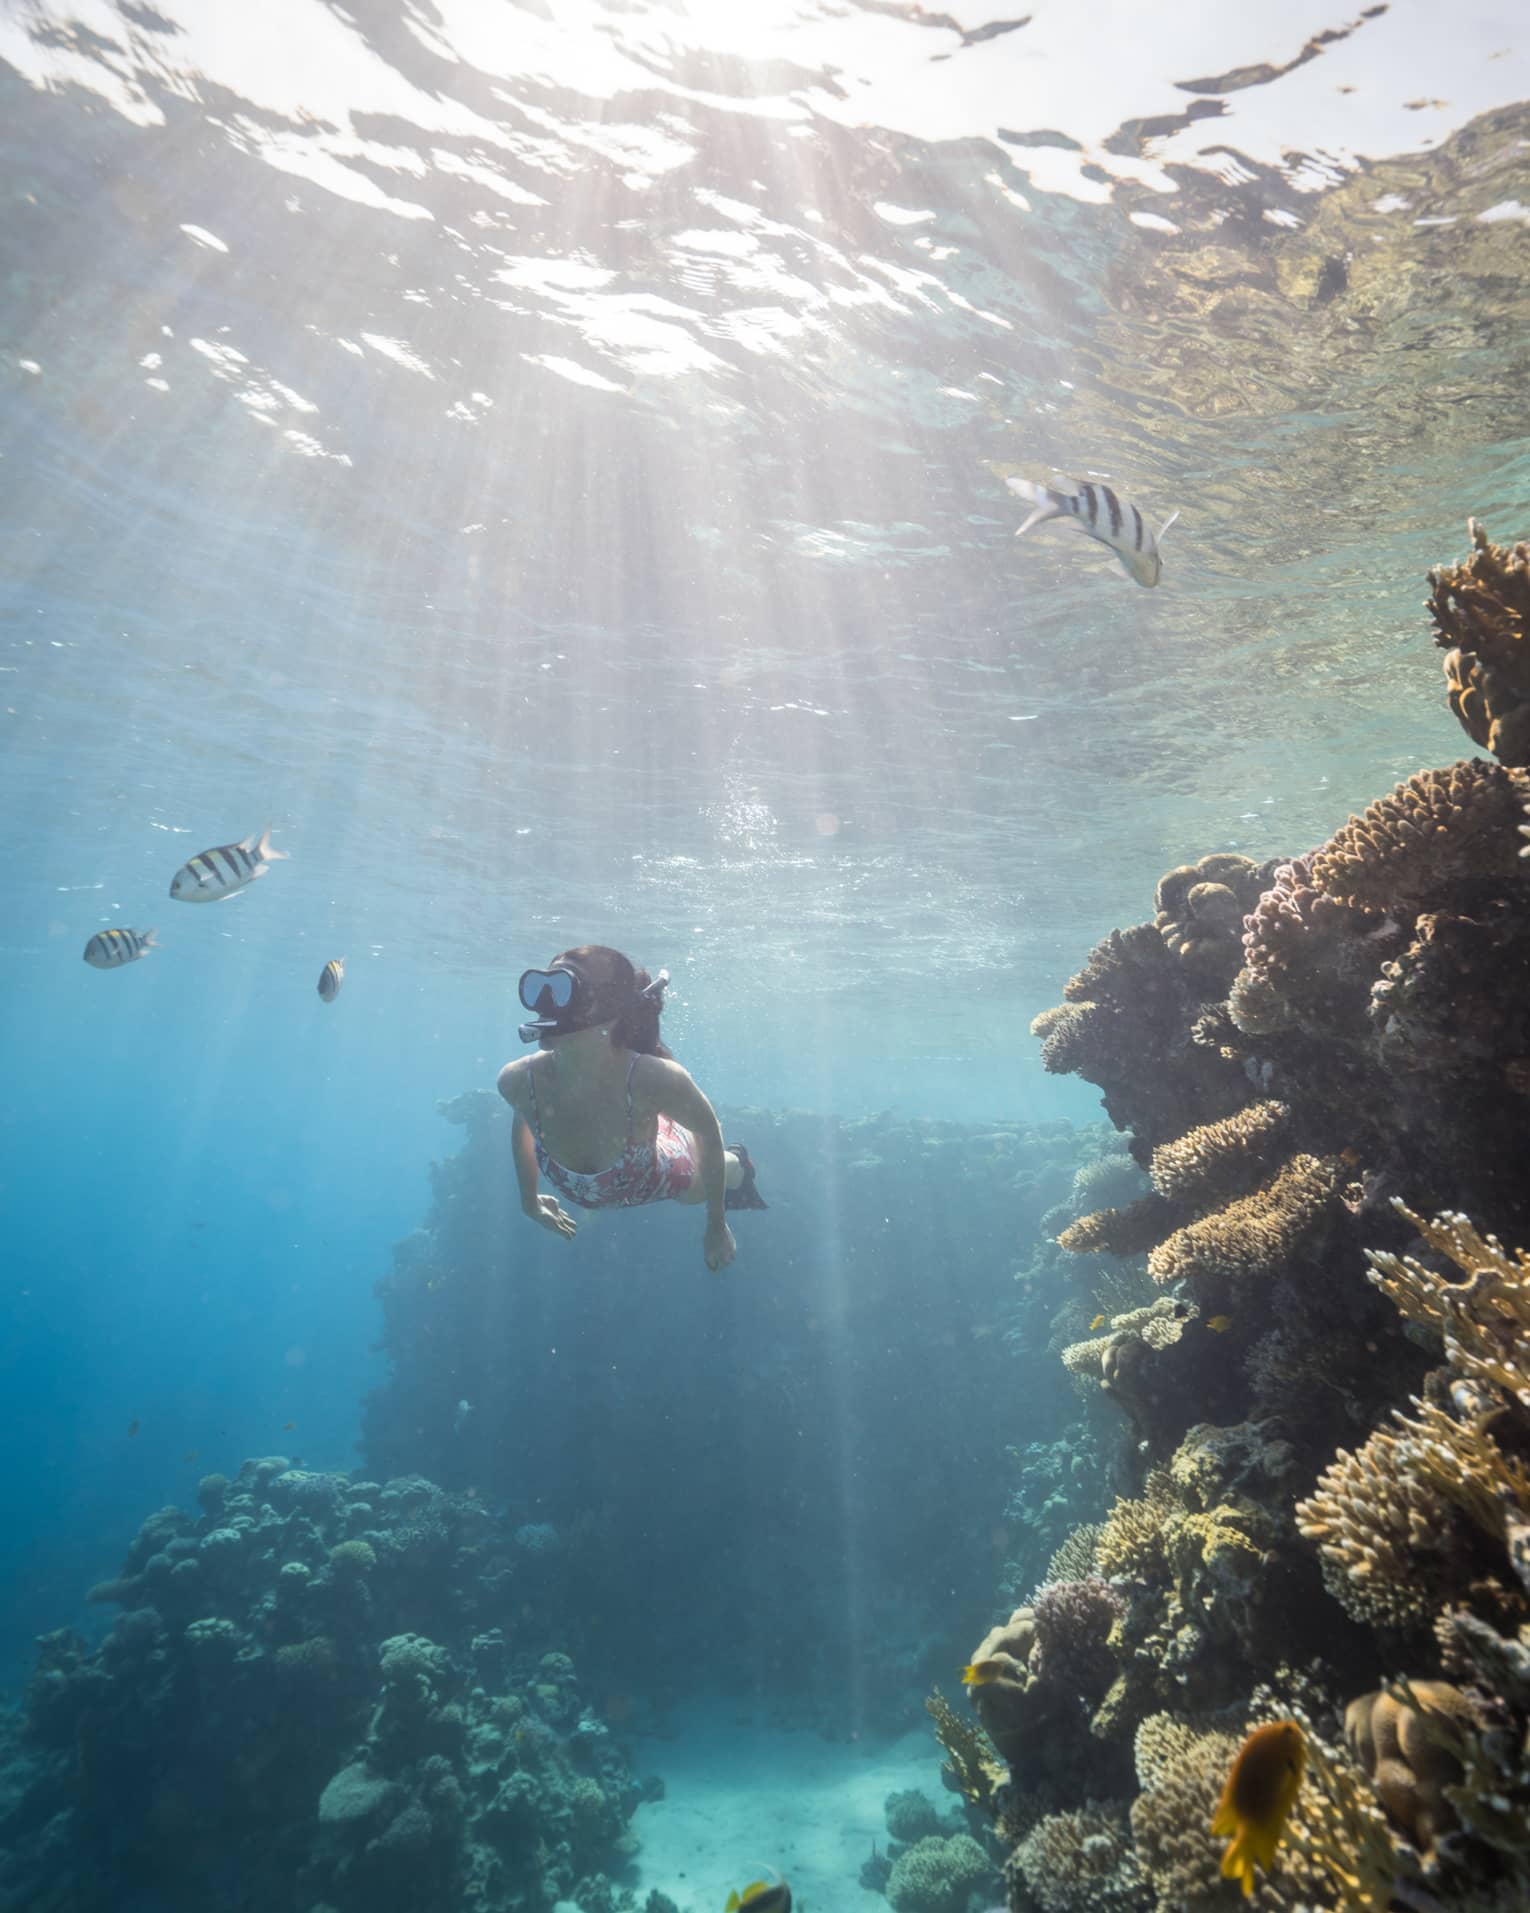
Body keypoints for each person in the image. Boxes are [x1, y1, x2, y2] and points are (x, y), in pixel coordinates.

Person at [496, 945, 765, 1272]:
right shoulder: (518, 1081)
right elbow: (523, 1120)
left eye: (564, 989)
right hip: (635, 1121)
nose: (546, 1006)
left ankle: (740, 1161)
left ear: (609, 1012)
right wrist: (529, 1202)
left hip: (660, 1174)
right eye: (541, 987)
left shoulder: (657, 1080)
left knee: (700, 1186)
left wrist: (716, 1224)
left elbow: (707, 1132)